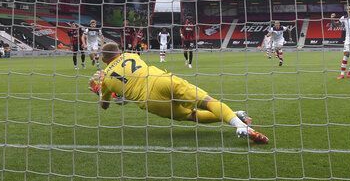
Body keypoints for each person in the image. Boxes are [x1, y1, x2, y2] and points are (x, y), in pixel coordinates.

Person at [90, 43, 268, 144]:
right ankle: (239, 124)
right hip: (160, 79)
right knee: (206, 101)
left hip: (149, 100)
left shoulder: (105, 79)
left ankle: (234, 117)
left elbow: (105, 106)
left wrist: (99, 90)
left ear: (104, 60)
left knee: (192, 115)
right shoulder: (131, 55)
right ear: (119, 52)